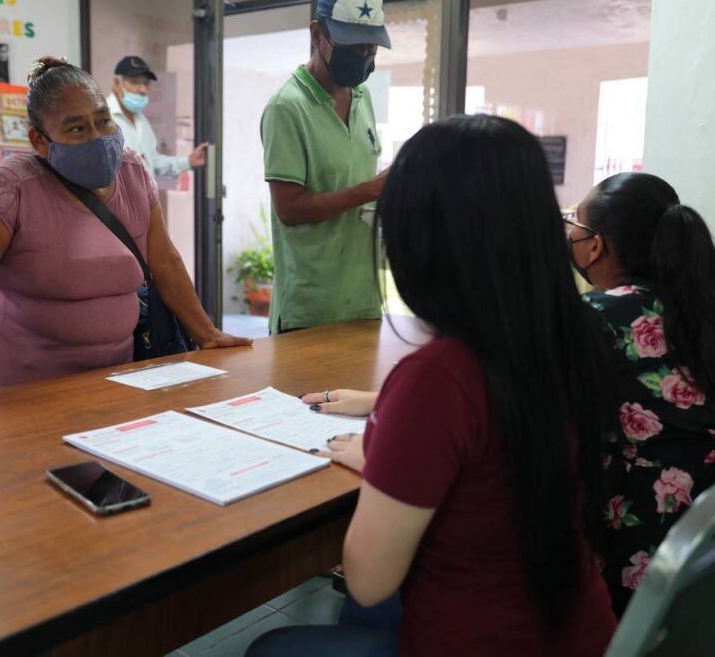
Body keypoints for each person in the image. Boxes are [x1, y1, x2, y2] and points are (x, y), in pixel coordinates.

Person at [247, 115, 618, 656]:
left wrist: (382, 458)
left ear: (419, 240)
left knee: (273, 648)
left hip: (482, 640)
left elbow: (369, 579)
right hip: (577, 630)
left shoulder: (438, 378)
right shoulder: (571, 336)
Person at [0, 56, 250, 415]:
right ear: (40, 140)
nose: (97, 137)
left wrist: (207, 333)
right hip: (22, 388)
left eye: (103, 121)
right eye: (77, 129)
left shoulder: (133, 172)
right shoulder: (10, 186)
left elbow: (165, 262)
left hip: (116, 378)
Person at [566, 172, 715, 615]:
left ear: (595, 244)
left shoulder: (595, 315)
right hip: (702, 543)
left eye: (574, 227)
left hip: (626, 550)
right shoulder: (698, 309)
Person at [261, 0, 390, 334]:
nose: (364, 57)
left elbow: (352, 178)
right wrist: (369, 190)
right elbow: (289, 209)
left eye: (371, 47)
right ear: (317, 34)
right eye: (353, 46)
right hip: (310, 309)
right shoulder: (287, 107)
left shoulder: (362, 99)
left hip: (362, 301)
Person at [106, 55, 207, 179]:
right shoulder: (101, 119)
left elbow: (153, 161)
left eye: (146, 83)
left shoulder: (141, 120)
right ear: (117, 83)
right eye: (135, 82)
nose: (143, 89)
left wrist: (189, 161)